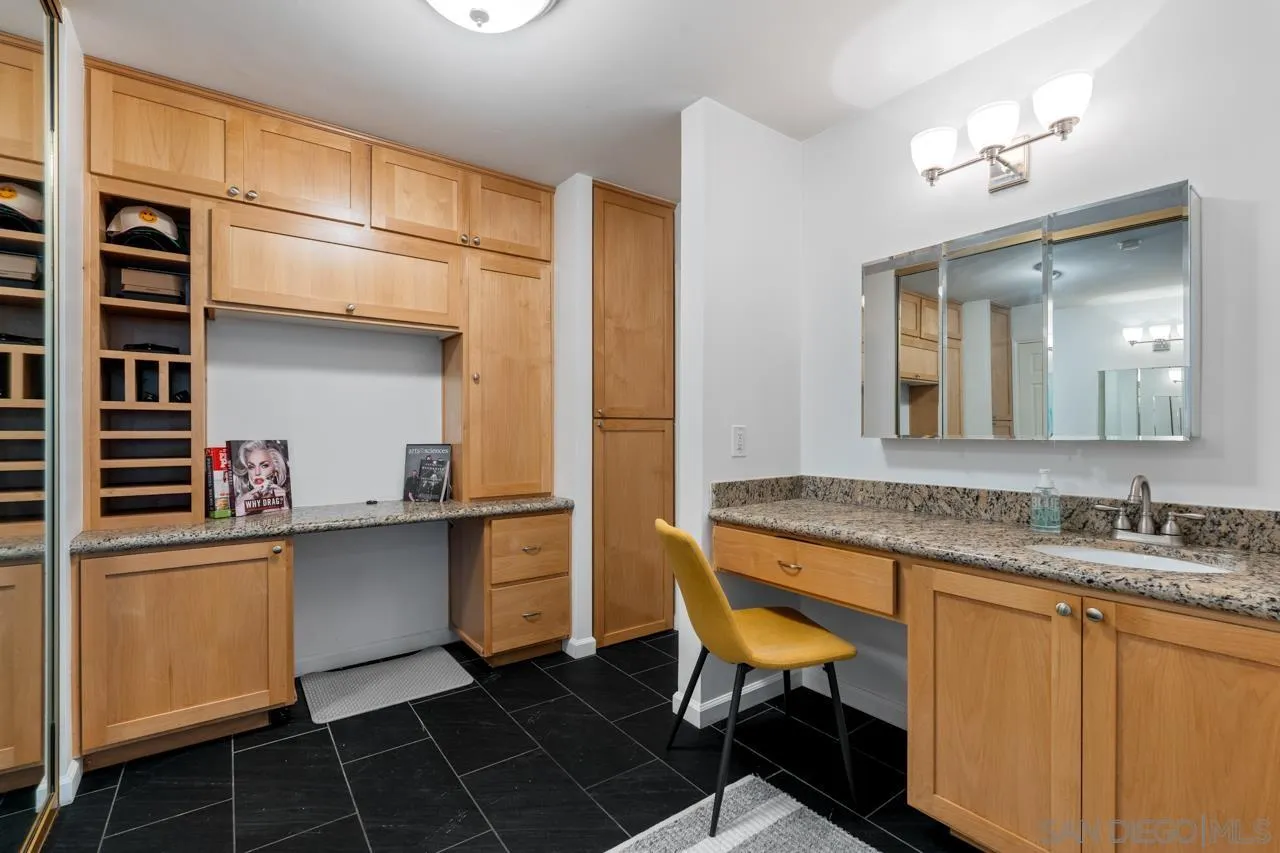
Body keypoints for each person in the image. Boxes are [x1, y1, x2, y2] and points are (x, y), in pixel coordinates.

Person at [232, 440, 290, 516]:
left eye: (264, 466)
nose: (257, 472)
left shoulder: (284, 500)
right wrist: (238, 512)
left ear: (275, 471)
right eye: (251, 467)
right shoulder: (238, 503)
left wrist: (286, 510)